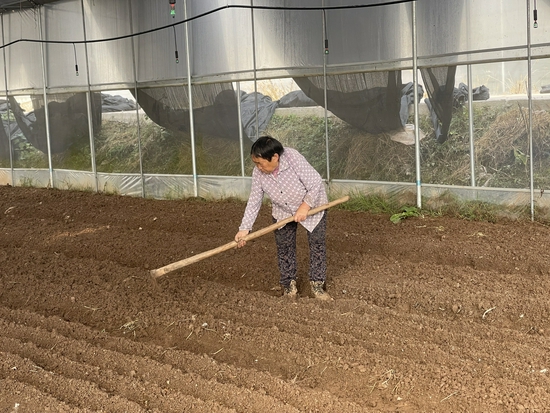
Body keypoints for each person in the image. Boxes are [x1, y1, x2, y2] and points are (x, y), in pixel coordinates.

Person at [234, 135, 332, 301]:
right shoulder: (258, 173)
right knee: (284, 247)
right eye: (255, 163)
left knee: (317, 245)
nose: (257, 167)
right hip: (283, 211)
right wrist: (244, 228)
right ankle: (289, 285)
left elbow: (315, 183)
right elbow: (254, 200)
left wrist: (305, 206)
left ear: (274, 157)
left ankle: (317, 285)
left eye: (260, 162)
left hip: (313, 207)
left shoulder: (293, 159)